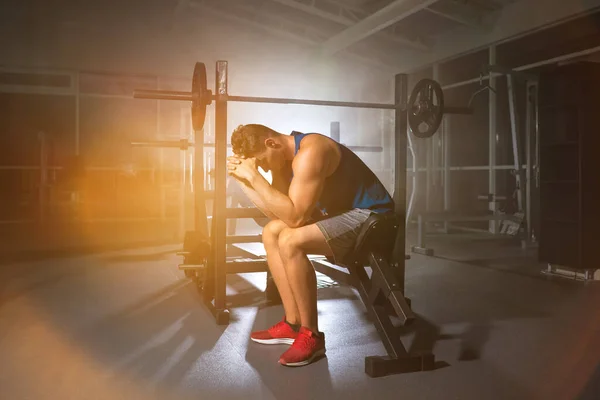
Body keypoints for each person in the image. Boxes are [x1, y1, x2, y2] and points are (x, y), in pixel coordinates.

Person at [227, 124, 394, 367]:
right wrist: (243, 181)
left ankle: (311, 336)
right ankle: (292, 323)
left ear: (271, 143)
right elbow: (278, 214)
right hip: (342, 216)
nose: (261, 168)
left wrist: (255, 177)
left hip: (372, 217)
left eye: (261, 161)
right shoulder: (282, 160)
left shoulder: (311, 152)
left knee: (290, 240)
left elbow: (295, 218)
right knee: (272, 232)